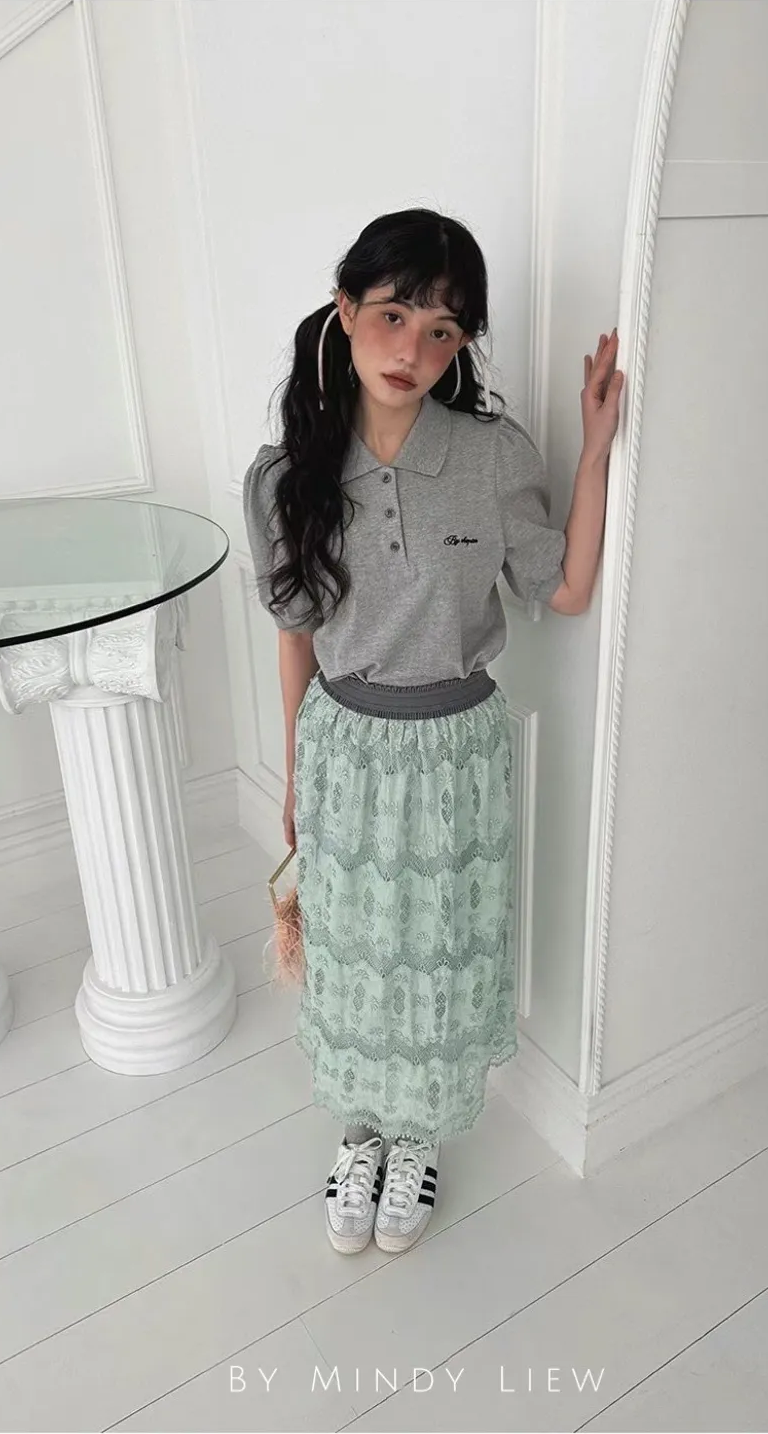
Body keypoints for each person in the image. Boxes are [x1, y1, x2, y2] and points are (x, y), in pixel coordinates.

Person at [242, 208, 622, 1257]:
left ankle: (417, 1138)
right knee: (357, 949)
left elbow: (565, 589)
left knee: (439, 951)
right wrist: (295, 771)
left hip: (458, 752)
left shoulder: (493, 458)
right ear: (344, 308)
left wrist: (594, 453)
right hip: (344, 748)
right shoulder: (286, 476)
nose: (413, 348)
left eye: (443, 329)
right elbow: (294, 636)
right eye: (394, 314)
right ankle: (360, 1130)